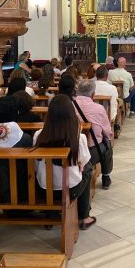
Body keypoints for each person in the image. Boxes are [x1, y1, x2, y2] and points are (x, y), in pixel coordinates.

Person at [33, 95, 96, 230]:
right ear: (71, 114)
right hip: (70, 189)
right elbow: (83, 162)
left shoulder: (39, 135)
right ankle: (84, 216)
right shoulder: (79, 137)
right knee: (88, 169)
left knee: (47, 174)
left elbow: (36, 162)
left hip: (43, 189)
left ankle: (51, 214)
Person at [73, 80, 113, 189]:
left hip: (72, 150)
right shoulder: (99, 108)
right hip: (92, 152)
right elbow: (107, 131)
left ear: (77, 91)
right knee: (107, 145)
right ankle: (106, 177)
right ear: (93, 94)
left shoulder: (70, 105)